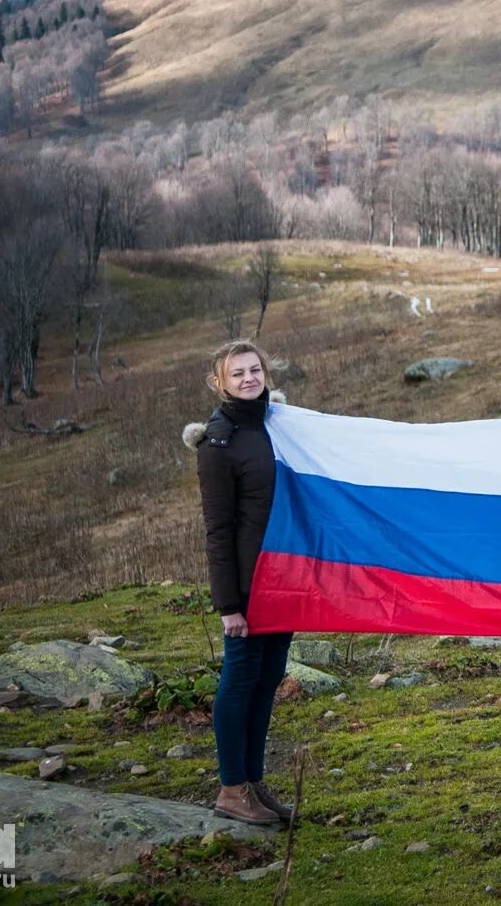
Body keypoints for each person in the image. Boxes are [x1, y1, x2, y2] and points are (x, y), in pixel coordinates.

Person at [184, 339, 295, 829]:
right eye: (237, 374)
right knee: (240, 681)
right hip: (249, 586)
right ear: (219, 383)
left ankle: (254, 781)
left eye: (255, 370)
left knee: (268, 681)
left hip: (285, 578)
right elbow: (218, 532)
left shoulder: (283, 428)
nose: (249, 379)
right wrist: (229, 605)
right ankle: (231, 788)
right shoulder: (217, 445)